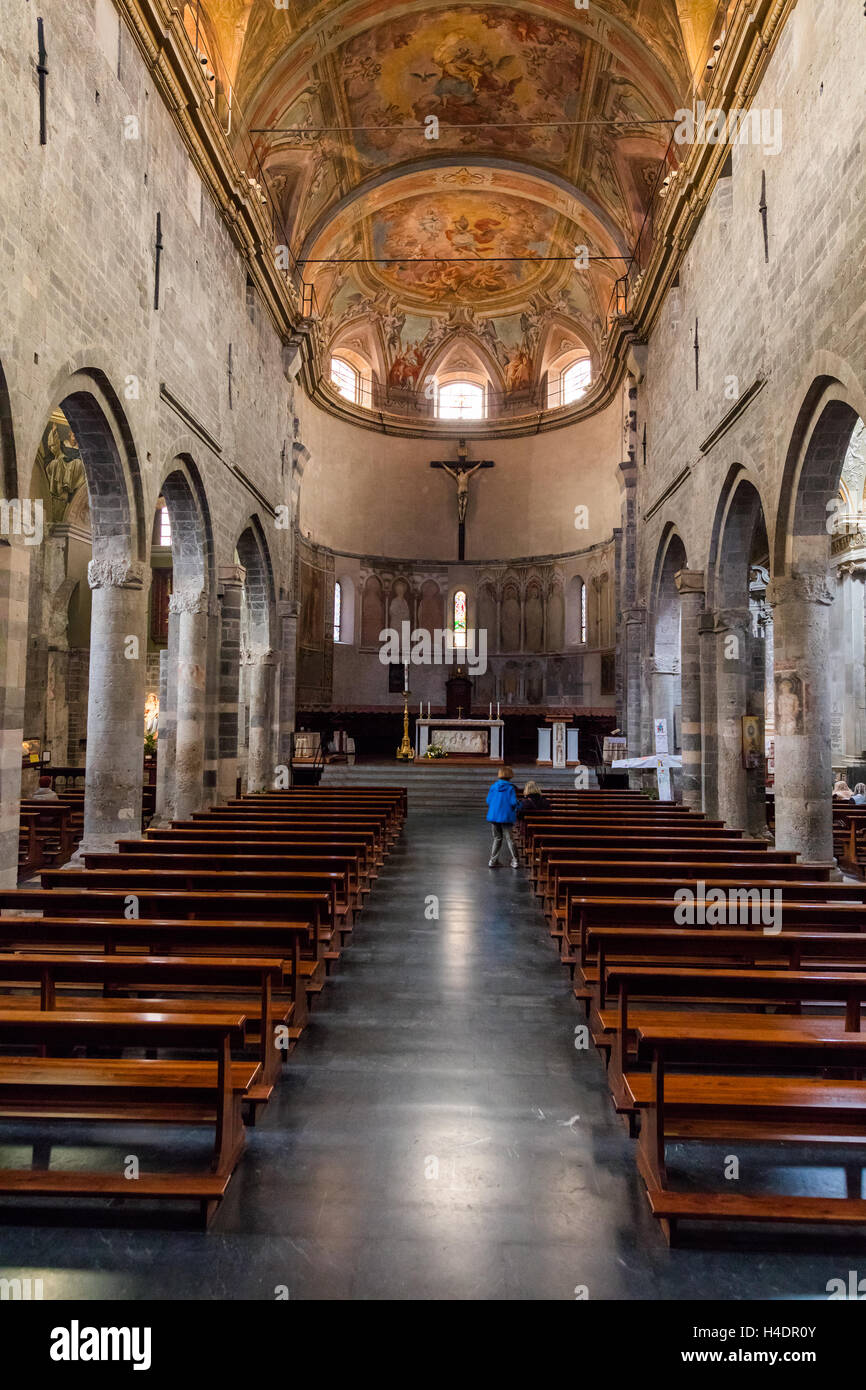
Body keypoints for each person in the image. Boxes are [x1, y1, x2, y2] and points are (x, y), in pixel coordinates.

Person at [486, 765, 518, 868]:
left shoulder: (493, 786)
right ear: (510, 775)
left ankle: (492, 861)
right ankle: (515, 860)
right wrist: (519, 805)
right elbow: (513, 802)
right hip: (506, 816)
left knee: (497, 838)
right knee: (510, 839)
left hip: (494, 816)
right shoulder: (510, 788)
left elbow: (488, 801)